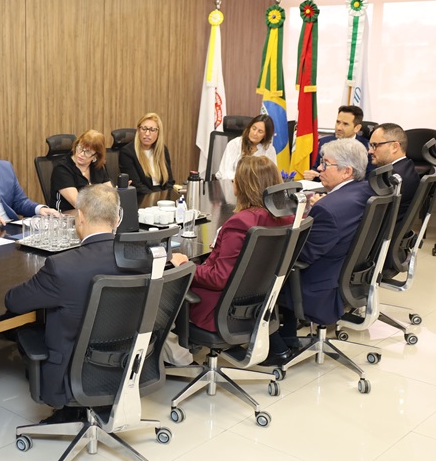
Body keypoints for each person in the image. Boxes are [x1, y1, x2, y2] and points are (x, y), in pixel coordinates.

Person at [5, 185, 125, 423]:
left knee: (27, 330)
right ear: (117, 219)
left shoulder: (62, 267)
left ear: (79, 217)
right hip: (124, 365)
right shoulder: (141, 256)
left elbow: (14, 302)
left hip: (70, 374)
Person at [268, 139, 374, 364]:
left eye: (326, 164)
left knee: (263, 269)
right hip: (350, 279)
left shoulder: (329, 208)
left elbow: (302, 256)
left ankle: (275, 348)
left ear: (346, 171)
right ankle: (288, 336)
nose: (319, 169)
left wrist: (307, 218)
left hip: (320, 287)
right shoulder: (365, 191)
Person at [171, 157, 290, 331]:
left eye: (237, 177)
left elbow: (219, 278)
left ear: (246, 185)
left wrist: (184, 264)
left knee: (163, 285)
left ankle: (172, 355)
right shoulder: (287, 218)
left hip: (219, 309)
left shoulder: (241, 222)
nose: (233, 180)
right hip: (256, 305)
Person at [303, 105, 372, 180]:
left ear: (357, 128)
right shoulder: (325, 142)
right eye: (338, 122)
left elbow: (368, 179)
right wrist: (312, 174)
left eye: (345, 124)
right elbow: (317, 170)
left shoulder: (367, 148)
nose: (339, 127)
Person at [49, 129, 112, 211]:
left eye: (88, 152)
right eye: (80, 148)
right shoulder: (62, 169)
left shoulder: (97, 166)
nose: (81, 154)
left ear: (95, 156)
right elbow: (78, 203)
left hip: (93, 214)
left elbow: (111, 195)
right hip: (65, 217)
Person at [369, 123, 419, 225]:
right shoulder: (407, 167)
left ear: (395, 147)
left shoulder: (391, 178)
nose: (370, 151)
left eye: (375, 145)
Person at [119, 113, 175, 193]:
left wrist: (166, 199)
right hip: (142, 197)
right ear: (138, 130)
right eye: (144, 129)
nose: (147, 134)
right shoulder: (127, 152)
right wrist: (155, 199)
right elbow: (137, 185)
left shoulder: (163, 150)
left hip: (163, 197)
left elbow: (169, 181)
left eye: (152, 130)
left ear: (158, 132)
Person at [215, 114, 277, 180]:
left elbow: (272, 175)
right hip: (234, 185)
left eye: (260, 131)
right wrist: (243, 182)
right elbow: (225, 172)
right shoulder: (235, 144)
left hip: (258, 187)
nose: (255, 133)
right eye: (254, 128)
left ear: (266, 135)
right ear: (249, 128)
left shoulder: (269, 149)